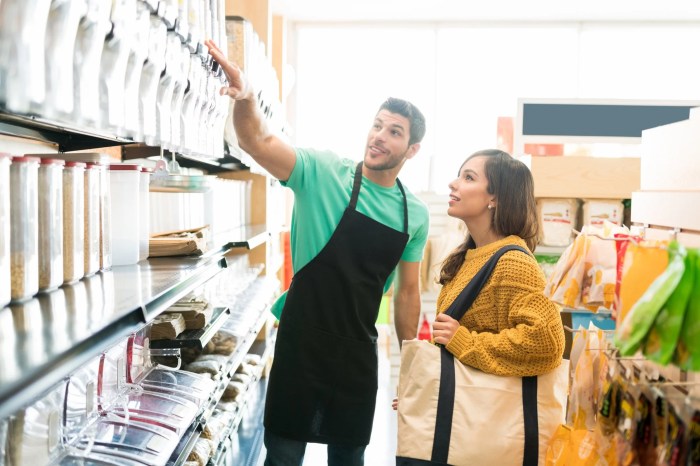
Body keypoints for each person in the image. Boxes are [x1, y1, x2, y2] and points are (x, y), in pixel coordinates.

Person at [206, 40, 430, 466]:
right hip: (300, 346)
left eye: (394, 132)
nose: (380, 137)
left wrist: (414, 369)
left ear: (412, 150)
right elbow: (256, 141)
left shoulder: (413, 215)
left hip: (357, 357)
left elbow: (407, 296)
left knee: (349, 459)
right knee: (284, 457)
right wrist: (247, 96)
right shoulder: (323, 172)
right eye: (378, 125)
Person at [431, 148, 565, 376]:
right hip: (465, 405)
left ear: (495, 198)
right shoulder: (468, 256)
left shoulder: (513, 263)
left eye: (469, 177)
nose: (453, 184)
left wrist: (463, 341)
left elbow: (547, 342)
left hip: (487, 409)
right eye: (459, 175)